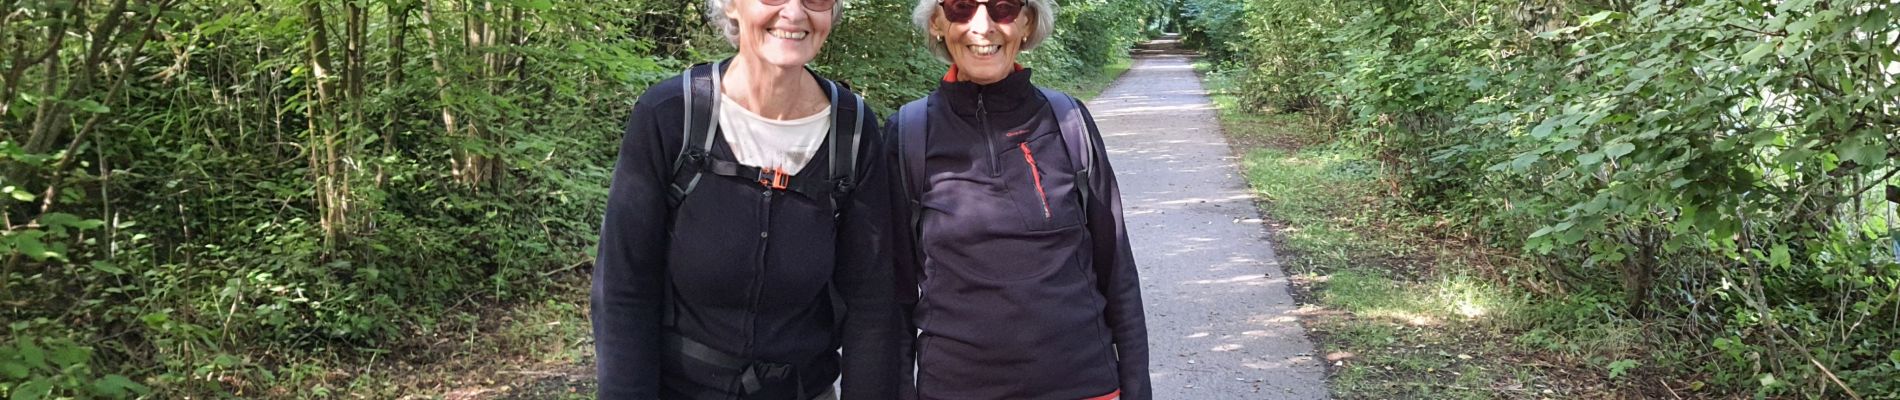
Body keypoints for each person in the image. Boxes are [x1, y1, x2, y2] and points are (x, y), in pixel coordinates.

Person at [591, 0, 897, 398]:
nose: (794, 12)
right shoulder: (672, 115)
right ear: (732, 6)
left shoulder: (853, 131)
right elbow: (623, 288)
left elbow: (871, 301)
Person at [887, 0, 1151, 399]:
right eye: (960, 7)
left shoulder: (1069, 122)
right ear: (938, 22)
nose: (983, 25)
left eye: (1003, 7)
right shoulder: (909, 134)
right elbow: (893, 295)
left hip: (1085, 385)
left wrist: (1137, 388)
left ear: (1026, 22)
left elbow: (1117, 271)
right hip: (955, 387)